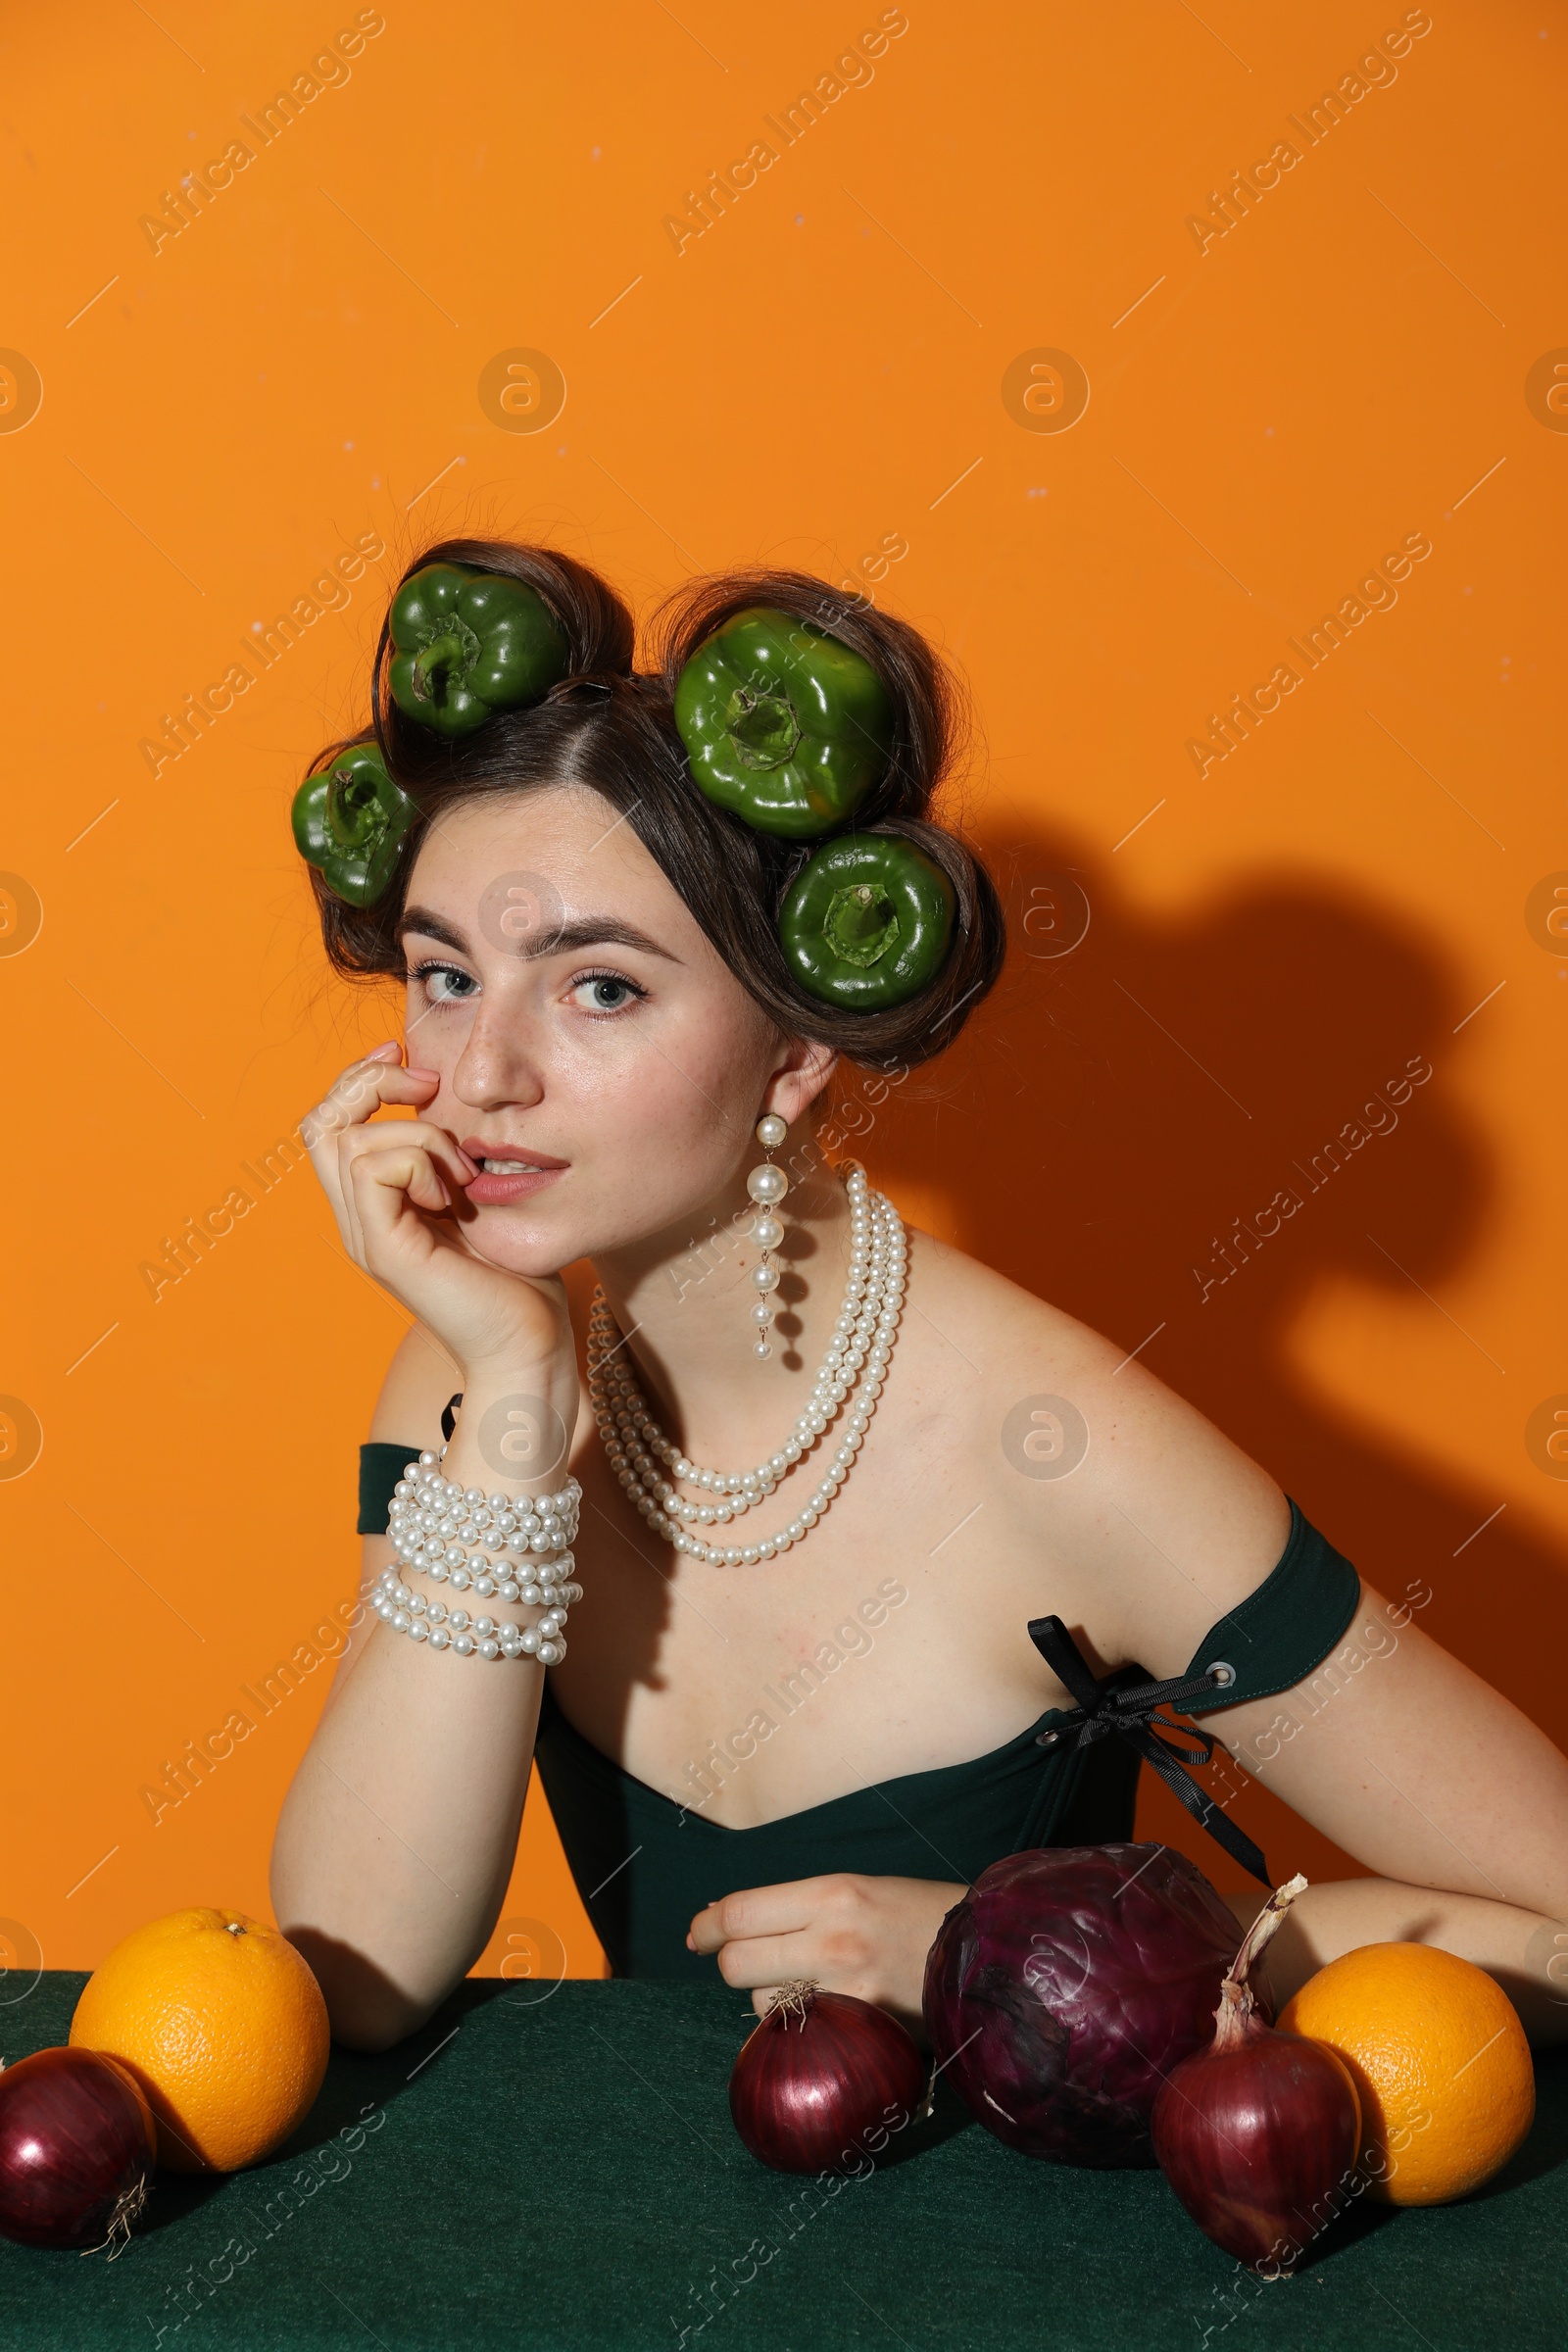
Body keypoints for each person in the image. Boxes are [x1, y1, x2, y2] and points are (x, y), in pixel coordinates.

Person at [270, 537, 1568, 2055]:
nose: (482, 1075)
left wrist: (1037, 1946)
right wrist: (502, 1410)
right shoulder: (473, 1388)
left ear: (801, 1046)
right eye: (445, 975)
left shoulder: (1065, 1448)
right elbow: (354, 1977)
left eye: (599, 986)